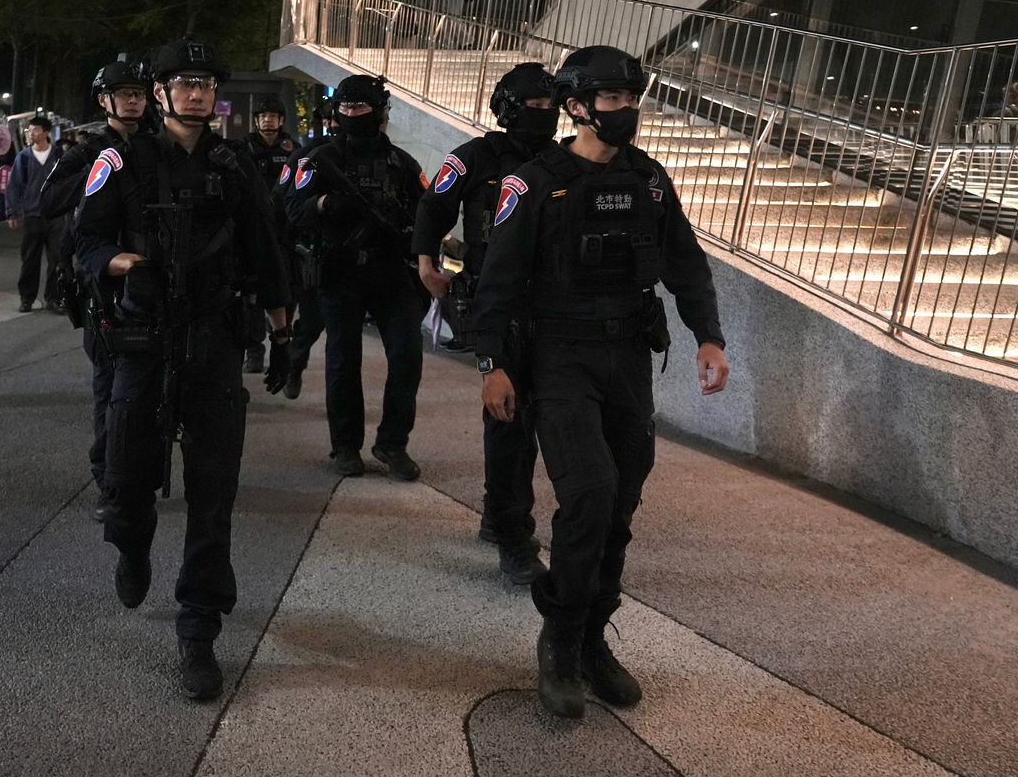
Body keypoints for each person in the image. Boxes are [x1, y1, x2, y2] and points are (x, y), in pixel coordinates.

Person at [473, 45, 730, 718]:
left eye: (630, 98)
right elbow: (497, 281)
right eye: (612, 98)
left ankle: (592, 638)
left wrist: (708, 336)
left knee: (621, 502)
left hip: (628, 360)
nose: (625, 109)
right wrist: (492, 364)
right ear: (577, 106)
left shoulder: (648, 180)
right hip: (558, 358)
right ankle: (559, 640)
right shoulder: (533, 182)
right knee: (589, 491)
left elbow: (685, 264)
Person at [74, 37, 290, 701]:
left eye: (206, 84)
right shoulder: (121, 159)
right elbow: (85, 241)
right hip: (142, 341)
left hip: (213, 342)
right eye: (184, 82)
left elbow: (267, 251)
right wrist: (126, 265)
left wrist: (285, 332)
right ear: (160, 91)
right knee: (125, 482)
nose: (196, 93)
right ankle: (132, 545)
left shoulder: (235, 165)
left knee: (213, 492)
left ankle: (198, 627)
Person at [413, 62, 560, 586]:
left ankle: (499, 514)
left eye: (550, 106)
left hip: (555, 305)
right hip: (495, 301)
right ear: (507, 109)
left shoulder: (563, 160)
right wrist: (426, 261)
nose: (543, 115)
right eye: (533, 106)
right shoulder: (475, 156)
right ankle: (512, 532)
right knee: (508, 418)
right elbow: (434, 206)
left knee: (547, 419)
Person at [284, 75, 427, 480]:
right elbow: (292, 209)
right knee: (343, 361)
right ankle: (345, 446)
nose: (352, 114)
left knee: (407, 355)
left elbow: (425, 214)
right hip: (339, 270)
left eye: (360, 107)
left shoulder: (401, 163)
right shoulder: (317, 160)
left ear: (379, 112)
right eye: (345, 108)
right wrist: (324, 203)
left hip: (390, 270)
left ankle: (392, 444)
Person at [40, 60, 152, 519]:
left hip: (149, 281)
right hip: (101, 284)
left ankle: (139, 473)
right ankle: (109, 478)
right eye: (124, 94)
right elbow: (48, 200)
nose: (133, 101)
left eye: (139, 93)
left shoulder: (156, 145)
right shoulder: (87, 151)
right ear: (104, 100)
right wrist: (99, 171)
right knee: (109, 387)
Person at [274, 97, 337, 400]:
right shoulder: (304, 156)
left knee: (313, 322)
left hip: (324, 256)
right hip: (292, 249)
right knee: (282, 315)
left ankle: (294, 364)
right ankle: (283, 358)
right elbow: (280, 201)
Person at [241, 95, 301, 374]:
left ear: (281, 120)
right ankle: (254, 349)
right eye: (263, 116)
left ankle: (281, 334)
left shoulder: (293, 150)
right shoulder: (244, 149)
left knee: (286, 287)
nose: (267, 121)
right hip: (253, 227)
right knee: (252, 291)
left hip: (285, 230)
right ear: (256, 121)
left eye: (273, 116)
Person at [7, 116, 64, 313]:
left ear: (46, 132)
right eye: (29, 130)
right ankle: (27, 298)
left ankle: (54, 298)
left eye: (36, 130)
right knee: (30, 259)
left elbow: (70, 181)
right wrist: (13, 212)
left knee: (57, 259)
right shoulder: (23, 157)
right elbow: (14, 186)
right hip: (32, 215)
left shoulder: (59, 156)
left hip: (56, 215)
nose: (31, 133)